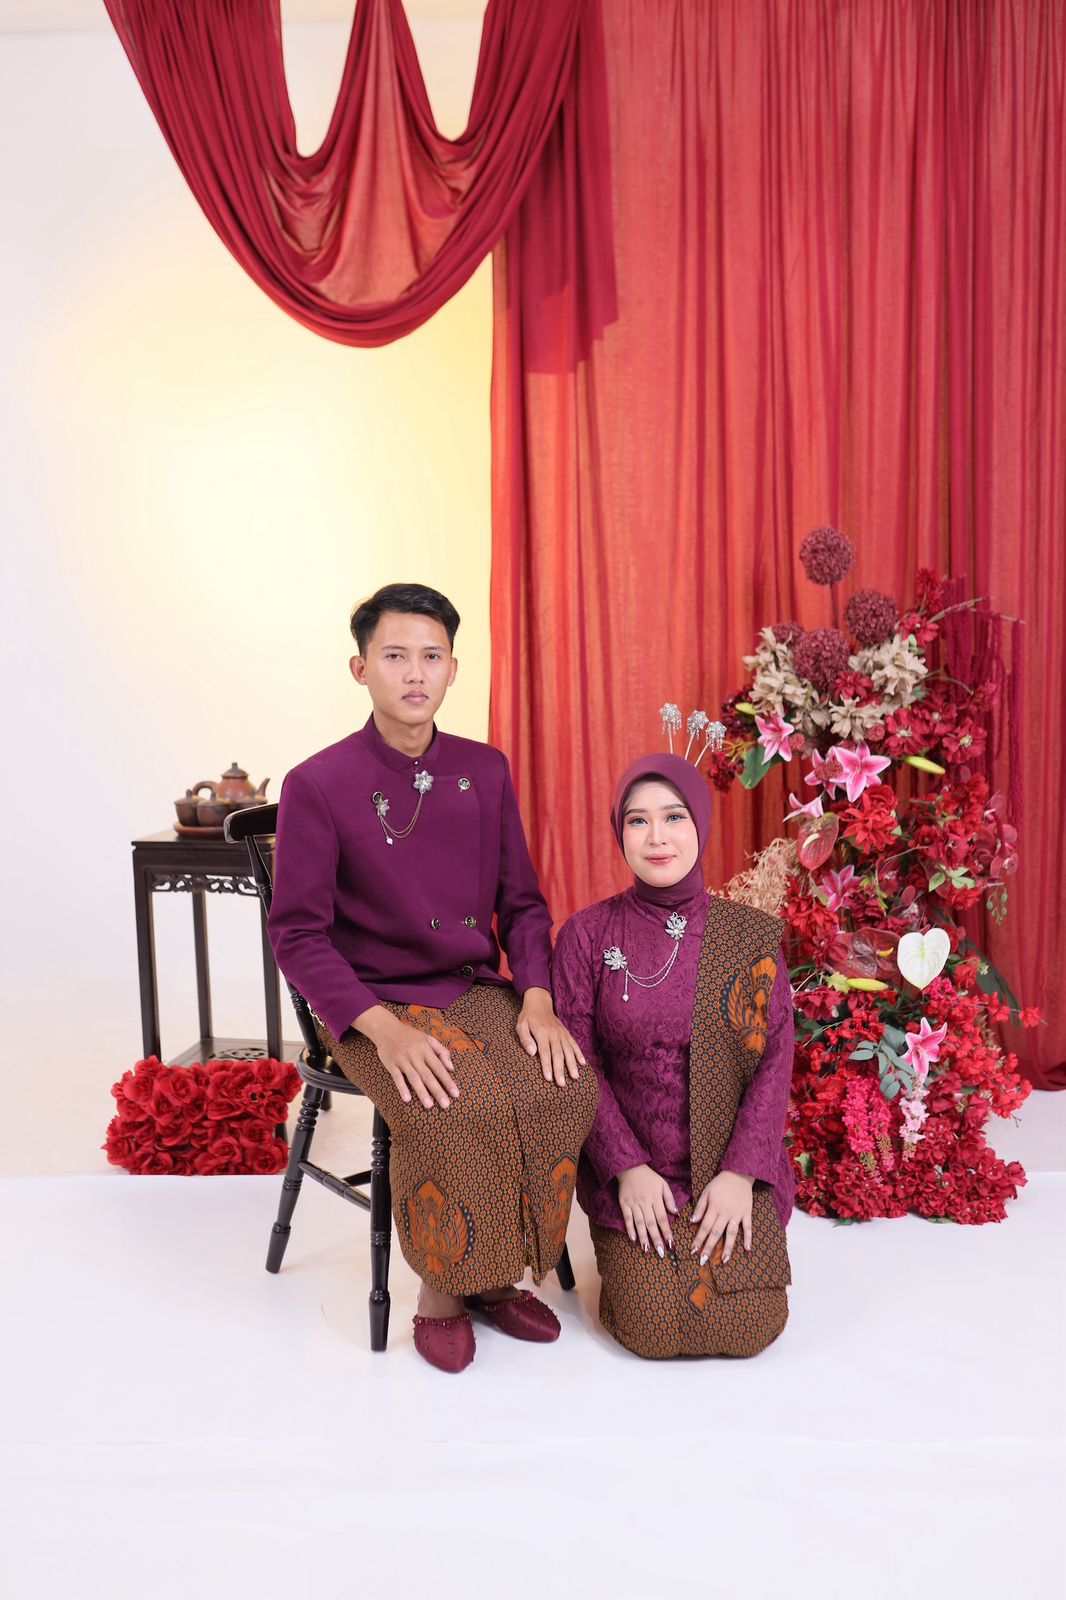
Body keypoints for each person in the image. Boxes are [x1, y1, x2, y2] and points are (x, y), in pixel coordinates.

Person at [268, 583, 597, 1373]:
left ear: (453, 668)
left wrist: (539, 999)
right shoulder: (318, 782)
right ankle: (443, 1292)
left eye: (431, 656)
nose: (415, 673)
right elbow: (298, 935)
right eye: (394, 656)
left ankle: (498, 1274)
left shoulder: (484, 769)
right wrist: (382, 1030)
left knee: (566, 1086)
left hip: (470, 985)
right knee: (456, 1104)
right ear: (360, 669)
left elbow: (523, 904)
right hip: (370, 1002)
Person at [552, 753, 794, 1360]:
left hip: (729, 1167)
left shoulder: (748, 934)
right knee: (652, 1329)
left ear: (700, 823)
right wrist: (625, 1168)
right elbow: (578, 1063)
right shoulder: (587, 935)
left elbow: (774, 1061)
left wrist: (741, 1175)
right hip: (636, 1167)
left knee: (751, 1325)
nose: (656, 837)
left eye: (673, 817)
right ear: (620, 832)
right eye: (638, 820)